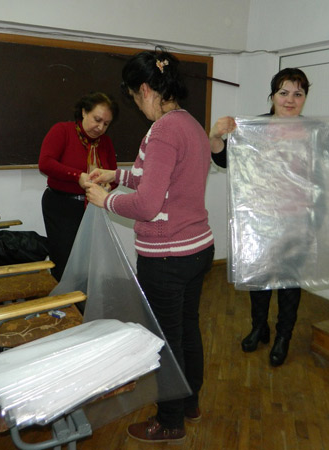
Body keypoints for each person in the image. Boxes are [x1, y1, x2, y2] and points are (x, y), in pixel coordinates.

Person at [209, 68, 329, 367]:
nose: (290, 99)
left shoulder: (314, 130)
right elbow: (223, 158)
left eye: (298, 93)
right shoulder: (254, 128)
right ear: (272, 96)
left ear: (305, 98)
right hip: (259, 220)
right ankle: (259, 328)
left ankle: (283, 337)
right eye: (283, 92)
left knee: (289, 283)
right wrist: (216, 135)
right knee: (258, 279)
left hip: (300, 220)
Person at [84, 49, 214, 444]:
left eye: (133, 97)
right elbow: (160, 179)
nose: (137, 106)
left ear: (144, 89)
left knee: (166, 339)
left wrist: (104, 199)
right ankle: (188, 403)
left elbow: (147, 205)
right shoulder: (190, 124)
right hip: (198, 249)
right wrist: (116, 175)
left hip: (168, 257)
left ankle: (170, 421)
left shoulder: (162, 131)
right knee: (186, 329)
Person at [38, 92, 118, 281]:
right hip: (61, 206)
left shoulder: (105, 142)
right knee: (65, 262)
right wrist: (77, 176)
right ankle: (66, 298)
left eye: (106, 124)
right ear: (84, 112)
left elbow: (113, 174)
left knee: (89, 261)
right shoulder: (63, 131)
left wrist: (108, 185)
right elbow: (45, 163)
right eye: (97, 120)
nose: (100, 128)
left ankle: (84, 296)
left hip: (92, 208)